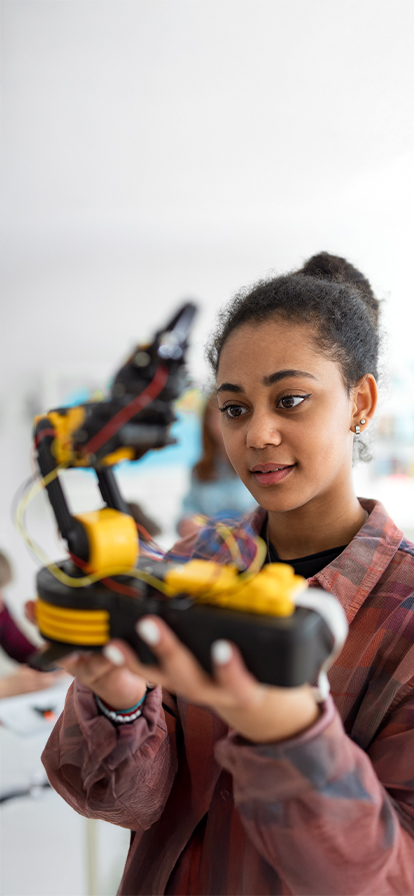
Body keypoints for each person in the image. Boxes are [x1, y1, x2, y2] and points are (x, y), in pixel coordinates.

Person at [37, 253, 414, 895]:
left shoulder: (403, 621)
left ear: (360, 401)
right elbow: (120, 805)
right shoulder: (183, 570)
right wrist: (121, 700)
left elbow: (392, 880)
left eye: (290, 400)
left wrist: (292, 737)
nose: (258, 435)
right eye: (234, 409)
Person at [177, 391, 256, 537]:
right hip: (211, 552)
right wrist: (187, 522)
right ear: (207, 423)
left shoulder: (260, 464)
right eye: (218, 417)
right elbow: (189, 509)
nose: (223, 424)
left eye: (233, 414)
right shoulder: (200, 470)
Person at [0, 550, 64, 698]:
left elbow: (20, 649)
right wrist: (5, 688)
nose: (1, 603)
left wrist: (52, 660)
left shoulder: (1, 611)